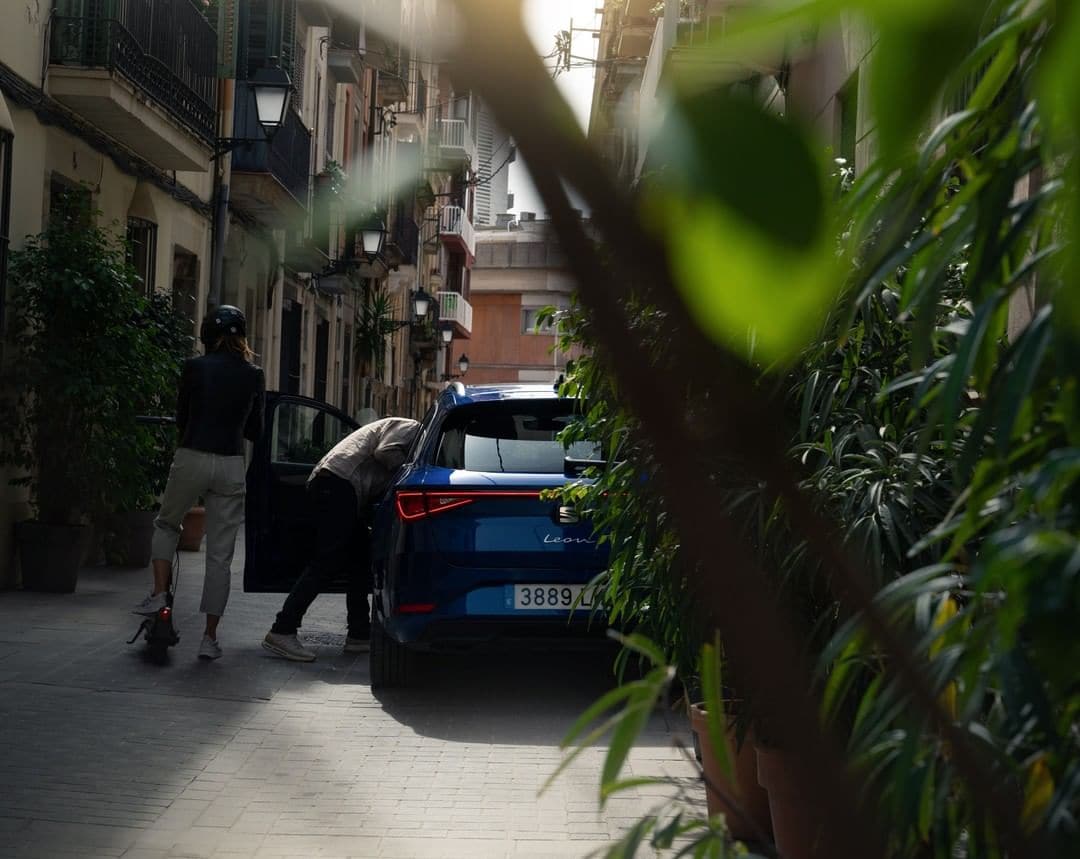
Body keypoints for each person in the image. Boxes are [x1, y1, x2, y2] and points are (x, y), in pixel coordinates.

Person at [133, 305, 265, 661]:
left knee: (166, 523)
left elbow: (182, 417)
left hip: (192, 454)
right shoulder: (254, 374)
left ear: (208, 335)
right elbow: (256, 431)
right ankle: (208, 638)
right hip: (230, 464)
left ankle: (160, 594)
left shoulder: (194, 368)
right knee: (220, 556)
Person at [262, 417, 420, 662]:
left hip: (341, 486)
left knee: (359, 560)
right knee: (327, 560)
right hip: (338, 483)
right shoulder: (412, 427)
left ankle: (359, 635)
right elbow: (384, 451)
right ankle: (282, 629)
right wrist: (412, 470)